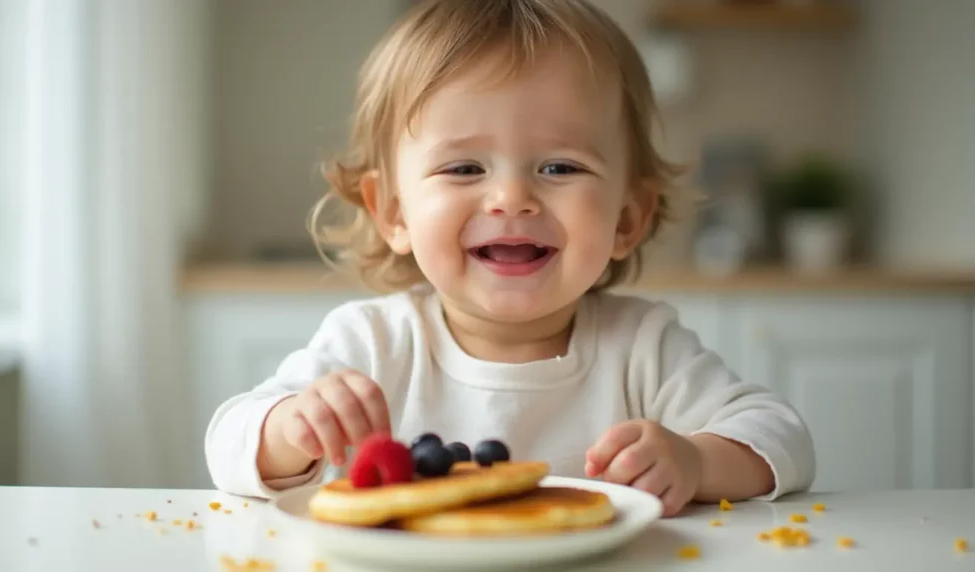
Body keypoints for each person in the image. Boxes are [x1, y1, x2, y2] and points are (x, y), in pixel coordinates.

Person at [204, 0, 815, 517]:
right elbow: (226, 443)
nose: (512, 199)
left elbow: (781, 436)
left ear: (628, 218)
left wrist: (695, 460)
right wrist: (291, 429)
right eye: (465, 167)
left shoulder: (644, 347)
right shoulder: (373, 342)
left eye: (559, 167)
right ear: (393, 212)